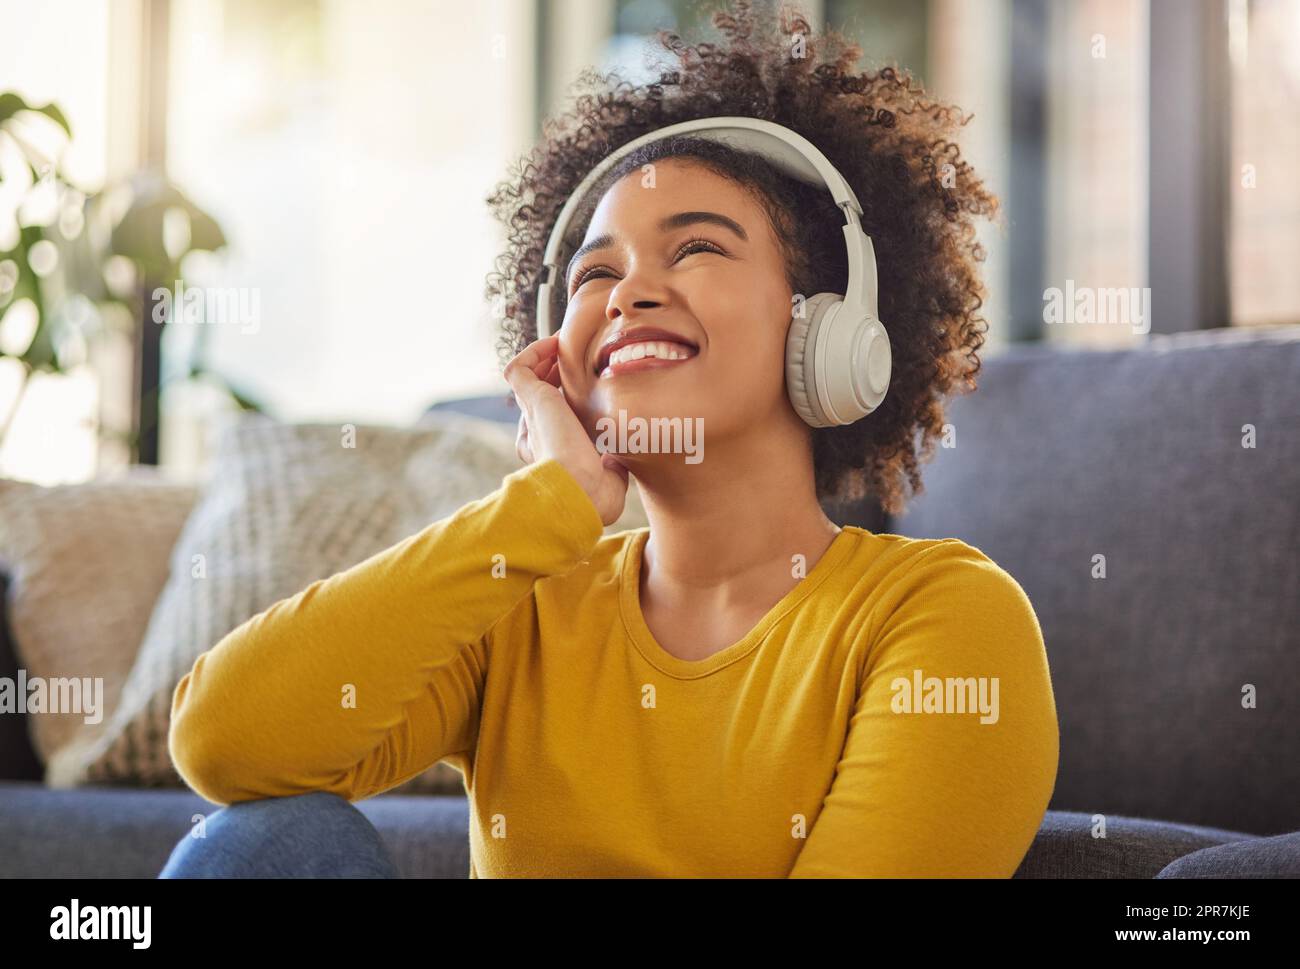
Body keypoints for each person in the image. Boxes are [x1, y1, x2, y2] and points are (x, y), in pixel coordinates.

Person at [161, 0, 1058, 879]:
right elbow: (225, 744)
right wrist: (545, 507)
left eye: (697, 247)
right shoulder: (530, 604)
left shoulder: (942, 618)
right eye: (595, 273)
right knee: (263, 845)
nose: (627, 294)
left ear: (826, 326)